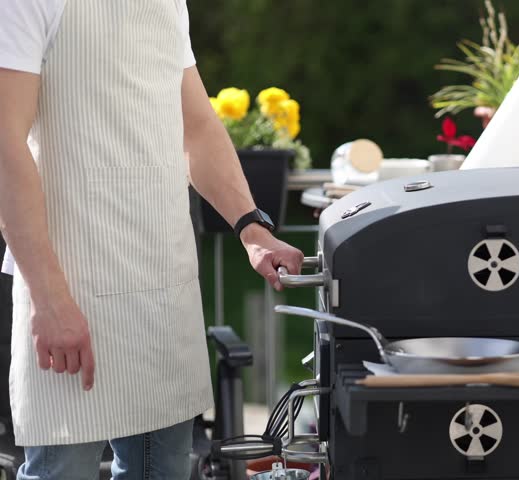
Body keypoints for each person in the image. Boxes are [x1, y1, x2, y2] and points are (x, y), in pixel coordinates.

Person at [0, 0, 305, 478]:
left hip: (165, 286)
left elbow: (198, 129)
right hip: (73, 287)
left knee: (164, 470)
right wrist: (49, 297)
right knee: (63, 470)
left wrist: (252, 228)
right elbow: (4, 144)